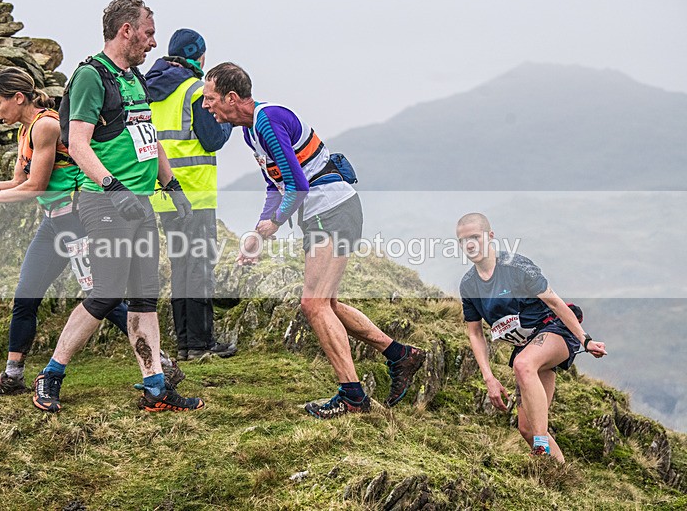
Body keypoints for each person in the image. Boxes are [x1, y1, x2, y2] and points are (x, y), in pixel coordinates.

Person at [202, 62, 424, 418]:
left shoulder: (266, 121)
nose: (205, 105)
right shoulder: (250, 132)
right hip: (327, 211)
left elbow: (299, 185)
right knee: (327, 304)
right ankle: (400, 355)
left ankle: (353, 396)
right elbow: (276, 185)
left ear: (231, 97)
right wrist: (260, 229)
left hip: (331, 209)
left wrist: (274, 224)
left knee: (313, 304)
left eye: (209, 98)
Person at [0, 67, 171, 396]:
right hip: (53, 222)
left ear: (18, 98)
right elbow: (19, 182)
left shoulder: (46, 126)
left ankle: (161, 364)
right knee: (26, 294)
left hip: (75, 221)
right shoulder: (25, 130)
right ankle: (13, 375)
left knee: (103, 299)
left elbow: (34, 187)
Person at [32, 0, 203, 413]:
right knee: (106, 293)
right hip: (106, 203)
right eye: (147, 32)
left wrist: (173, 184)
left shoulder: (134, 77)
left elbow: (149, 137)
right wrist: (112, 187)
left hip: (141, 203)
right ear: (126, 31)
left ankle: (156, 388)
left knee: (145, 298)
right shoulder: (92, 76)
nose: (152, 41)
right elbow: (76, 143)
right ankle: (50, 376)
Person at [456, 212, 607, 462]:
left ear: (490, 236)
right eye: (463, 241)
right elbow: (475, 333)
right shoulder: (469, 285)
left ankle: (540, 446)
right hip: (526, 346)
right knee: (528, 427)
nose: (469, 244)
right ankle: (561, 473)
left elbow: (556, 303)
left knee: (523, 364)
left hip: (555, 331)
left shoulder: (516, 267)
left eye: (475, 237)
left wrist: (586, 340)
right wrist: (489, 378)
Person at [145, 29, 235, 361]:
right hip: (194, 192)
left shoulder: (153, 90)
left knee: (181, 266)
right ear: (197, 55)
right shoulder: (195, 90)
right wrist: (227, 124)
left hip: (165, 192)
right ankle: (200, 344)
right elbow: (212, 139)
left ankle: (184, 343)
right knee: (199, 267)